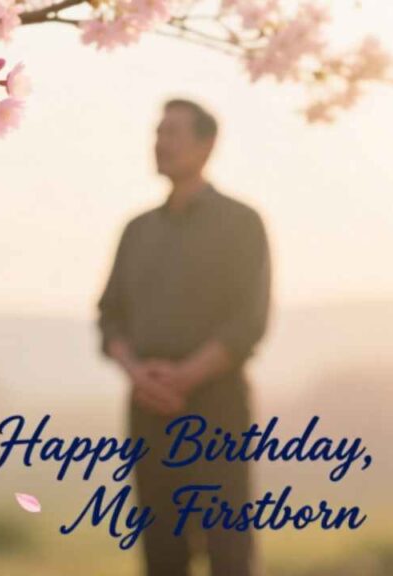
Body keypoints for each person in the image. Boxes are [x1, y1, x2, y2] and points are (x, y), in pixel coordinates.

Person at [96, 99, 272, 576]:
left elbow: (248, 322)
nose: (160, 142)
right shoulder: (137, 230)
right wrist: (140, 374)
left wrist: (184, 378)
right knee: (160, 547)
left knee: (228, 545)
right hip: (148, 406)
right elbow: (109, 317)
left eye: (172, 133)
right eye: (157, 132)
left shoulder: (241, 223)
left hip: (217, 405)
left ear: (206, 144)